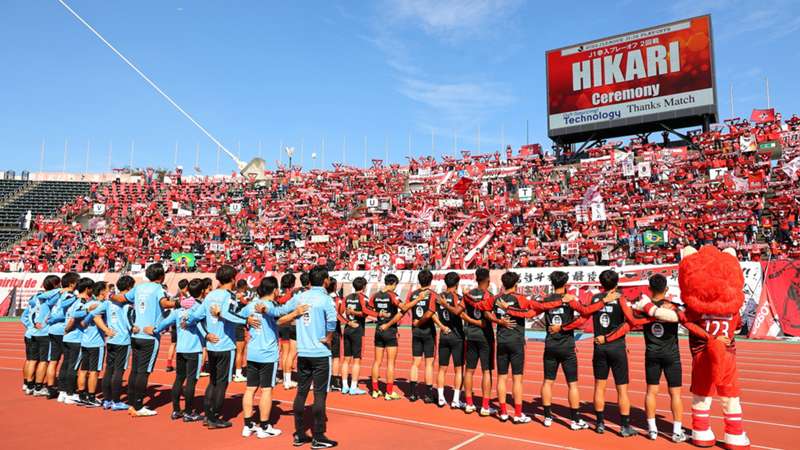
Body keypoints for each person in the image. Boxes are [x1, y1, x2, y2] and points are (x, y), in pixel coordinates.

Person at [618, 274, 687, 442]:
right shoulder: (672, 307)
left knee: (651, 391)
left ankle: (652, 430)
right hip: (672, 355)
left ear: (649, 289)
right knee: (675, 393)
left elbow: (632, 318)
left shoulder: (641, 308)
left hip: (652, 354)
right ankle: (677, 431)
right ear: (667, 289)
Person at [239, 276, 308, 439]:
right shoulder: (271, 306)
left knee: (250, 389)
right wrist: (296, 312)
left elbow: (236, 314)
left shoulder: (250, 305)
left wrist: (247, 318)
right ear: (275, 290)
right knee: (266, 390)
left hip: (253, 352)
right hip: (267, 355)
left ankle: (248, 425)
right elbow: (280, 317)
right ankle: (264, 426)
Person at [534, 271, 602, 430]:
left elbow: (534, 310)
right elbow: (584, 314)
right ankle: (574, 420)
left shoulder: (546, 300)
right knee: (572, 384)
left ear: (552, 283)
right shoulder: (570, 300)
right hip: (567, 346)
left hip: (550, 345)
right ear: (565, 283)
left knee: (547, 382)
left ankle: (547, 417)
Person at [186, 264, 247, 429]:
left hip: (212, 346)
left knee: (213, 381)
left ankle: (208, 415)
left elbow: (195, 318)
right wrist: (246, 321)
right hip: (226, 345)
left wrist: (205, 334)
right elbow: (230, 315)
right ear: (233, 279)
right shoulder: (229, 296)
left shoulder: (210, 295)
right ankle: (214, 417)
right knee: (222, 383)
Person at [284, 266, 338, 448]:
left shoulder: (299, 297)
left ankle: (299, 434)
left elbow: (282, 310)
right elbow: (332, 320)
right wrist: (329, 338)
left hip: (304, 352)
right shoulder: (325, 299)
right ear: (325, 281)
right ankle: (319, 435)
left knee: (301, 392)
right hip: (320, 352)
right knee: (320, 394)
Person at [581, 270, 635, 436]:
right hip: (616, 347)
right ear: (616, 283)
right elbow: (631, 322)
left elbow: (585, 312)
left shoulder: (596, 298)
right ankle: (625, 426)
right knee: (622, 389)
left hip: (599, 347)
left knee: (599, 386)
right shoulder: (621, 299)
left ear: (601, 283)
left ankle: (599, 424)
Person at [113, 263, 169, 417]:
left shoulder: (138, 288)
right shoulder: (159, 289)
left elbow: (121, 298)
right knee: (143, 372)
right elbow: (164, 303)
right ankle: (138, 406)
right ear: (161, 276)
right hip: (149, 336)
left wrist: (110, 296)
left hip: (135, 335)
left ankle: (132, 402)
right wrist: (179, 303)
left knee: (135, 370)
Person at [154, 278, 207, 422]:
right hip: (194, 349)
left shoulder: (180, 307)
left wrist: (155, 329)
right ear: (202, 291)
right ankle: (189, 412)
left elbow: (166, 321)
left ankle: (176, 410)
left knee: (179, 379)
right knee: (191, 381)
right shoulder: (200, 306)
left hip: (181, 348)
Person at [83, 275, 136, 411]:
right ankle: (116, 400)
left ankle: (107, 400)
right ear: (129, 287)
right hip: (123, 341)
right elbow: (131, 321)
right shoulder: (127, 303)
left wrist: (106, 330)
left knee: (109, 370)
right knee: (119, 371)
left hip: (111, 340)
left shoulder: (108, 302)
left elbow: (94, 315)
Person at [461, 267, 496, 416]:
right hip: (485, 336)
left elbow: (459, 311)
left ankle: (469, 403)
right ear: (488, 280)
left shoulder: (468, 295)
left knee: (469, 370)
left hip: (470, 335)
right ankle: (485, 406)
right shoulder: (490, 295)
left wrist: (469, 321)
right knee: (486, 371)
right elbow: (489, 316)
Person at [366, 273, 404, 401]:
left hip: (378, 329)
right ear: (393, 284)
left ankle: (375, 390)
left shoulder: (375, 295)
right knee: (391, 363)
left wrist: (378, 314)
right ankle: (388, 392)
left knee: (377, 361)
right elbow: (403, 308)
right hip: (390, 330)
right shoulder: (393, 295)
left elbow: (367, 309)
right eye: (395, 285)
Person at [405, 269, 440, 404]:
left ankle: (413, 393)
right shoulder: (433, 294)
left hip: (416, 331)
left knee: (415, 362)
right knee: (429, 364)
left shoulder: (413, 294)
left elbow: (405, 307)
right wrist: (442, 326)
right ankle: (428, 394)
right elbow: (432, 313)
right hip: (428, 331)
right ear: (431, 281)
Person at [77, 281, 113, 408]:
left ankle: (81, 395)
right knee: (94, 371)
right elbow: (97, 318)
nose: (108, 292)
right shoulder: (100, 305)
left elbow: (78, 316)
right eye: (107, 289)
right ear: (102, 291)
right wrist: (107, 330)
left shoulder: (89, 304)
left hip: (85, 340)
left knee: (83, 369)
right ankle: (91, 397)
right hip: (96, 342)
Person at [45, 272, 80, 400]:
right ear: (72, 284)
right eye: (77, 281)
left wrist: (50, 320)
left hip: (53, 330)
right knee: (67, 361)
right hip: (61, 330)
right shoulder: (69, 295)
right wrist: (52, 319)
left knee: (53, 360)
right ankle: (64, 388)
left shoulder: (58, 293)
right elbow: (63, 312)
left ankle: (51, 388)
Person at [25, 275, 61, 396]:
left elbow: (28, 314)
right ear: (55, 285)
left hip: (33, 333)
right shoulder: (48, 299)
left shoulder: (35, 297)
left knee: (32, 360)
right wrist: (61, 291)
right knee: (44, 361)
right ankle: (39, 387)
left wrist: (32, 324)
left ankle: (29, 385)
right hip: (44, 333)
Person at [61, 277, 94, 405]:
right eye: (91, 288)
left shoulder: (74, 300)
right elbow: (74, 316)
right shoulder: (81, 302)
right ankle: (70, 393)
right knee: (73, 366)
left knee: (66, 364)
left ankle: (63, 392)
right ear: (87, 289)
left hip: (69, 338)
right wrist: (68, 329)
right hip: (75, 338)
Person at [434, 271, 465, 409]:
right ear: (457, 283)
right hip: (457, 335)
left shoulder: (438, 297)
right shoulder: (458, 297)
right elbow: (460, 313)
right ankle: (455, 399)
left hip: (444, 335)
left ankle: (441, 398)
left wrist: (441, 326)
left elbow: (432, 314)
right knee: (458, 369)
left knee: (442, 368)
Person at [340, 276, 368, 396]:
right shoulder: (363, 297)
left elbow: (341, 311)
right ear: (364, 287)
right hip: (358, 330)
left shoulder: (347, 298)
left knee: (346, 359)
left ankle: (345, 386)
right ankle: (353, 387)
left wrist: (347, 320)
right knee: (357, 359)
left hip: (347, 328)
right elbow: (365, 312)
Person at [277, 273, 298, 389]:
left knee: (282, 352)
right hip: (287, 324)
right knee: (287, 352)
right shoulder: (291, 294)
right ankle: (287, 380)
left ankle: (284, 377)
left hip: (279, 323)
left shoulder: (279, 292)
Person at [166, 279, 190, 373]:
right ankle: (183, 365)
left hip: (175, 321)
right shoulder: (187, 296)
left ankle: (169, 364)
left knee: (173, 344)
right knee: (184, 344)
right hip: (183, 321)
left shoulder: (174, 296)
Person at [327, 277, 344, 391]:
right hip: (335, 329)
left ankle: (322, 380)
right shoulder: (338, 299)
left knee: (323, 356)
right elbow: (341, 312)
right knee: (336, 356)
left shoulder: (322, 298)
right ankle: (335, 381)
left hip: (322, 329)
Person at [233, 279, 252, 383]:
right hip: (239, 325)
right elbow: (247, 304)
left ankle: (234, 371)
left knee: (235, 350)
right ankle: (238, 373)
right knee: (240, 351)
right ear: (244, 286)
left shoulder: (233, 296)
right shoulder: (242, 296)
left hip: (232, 324)